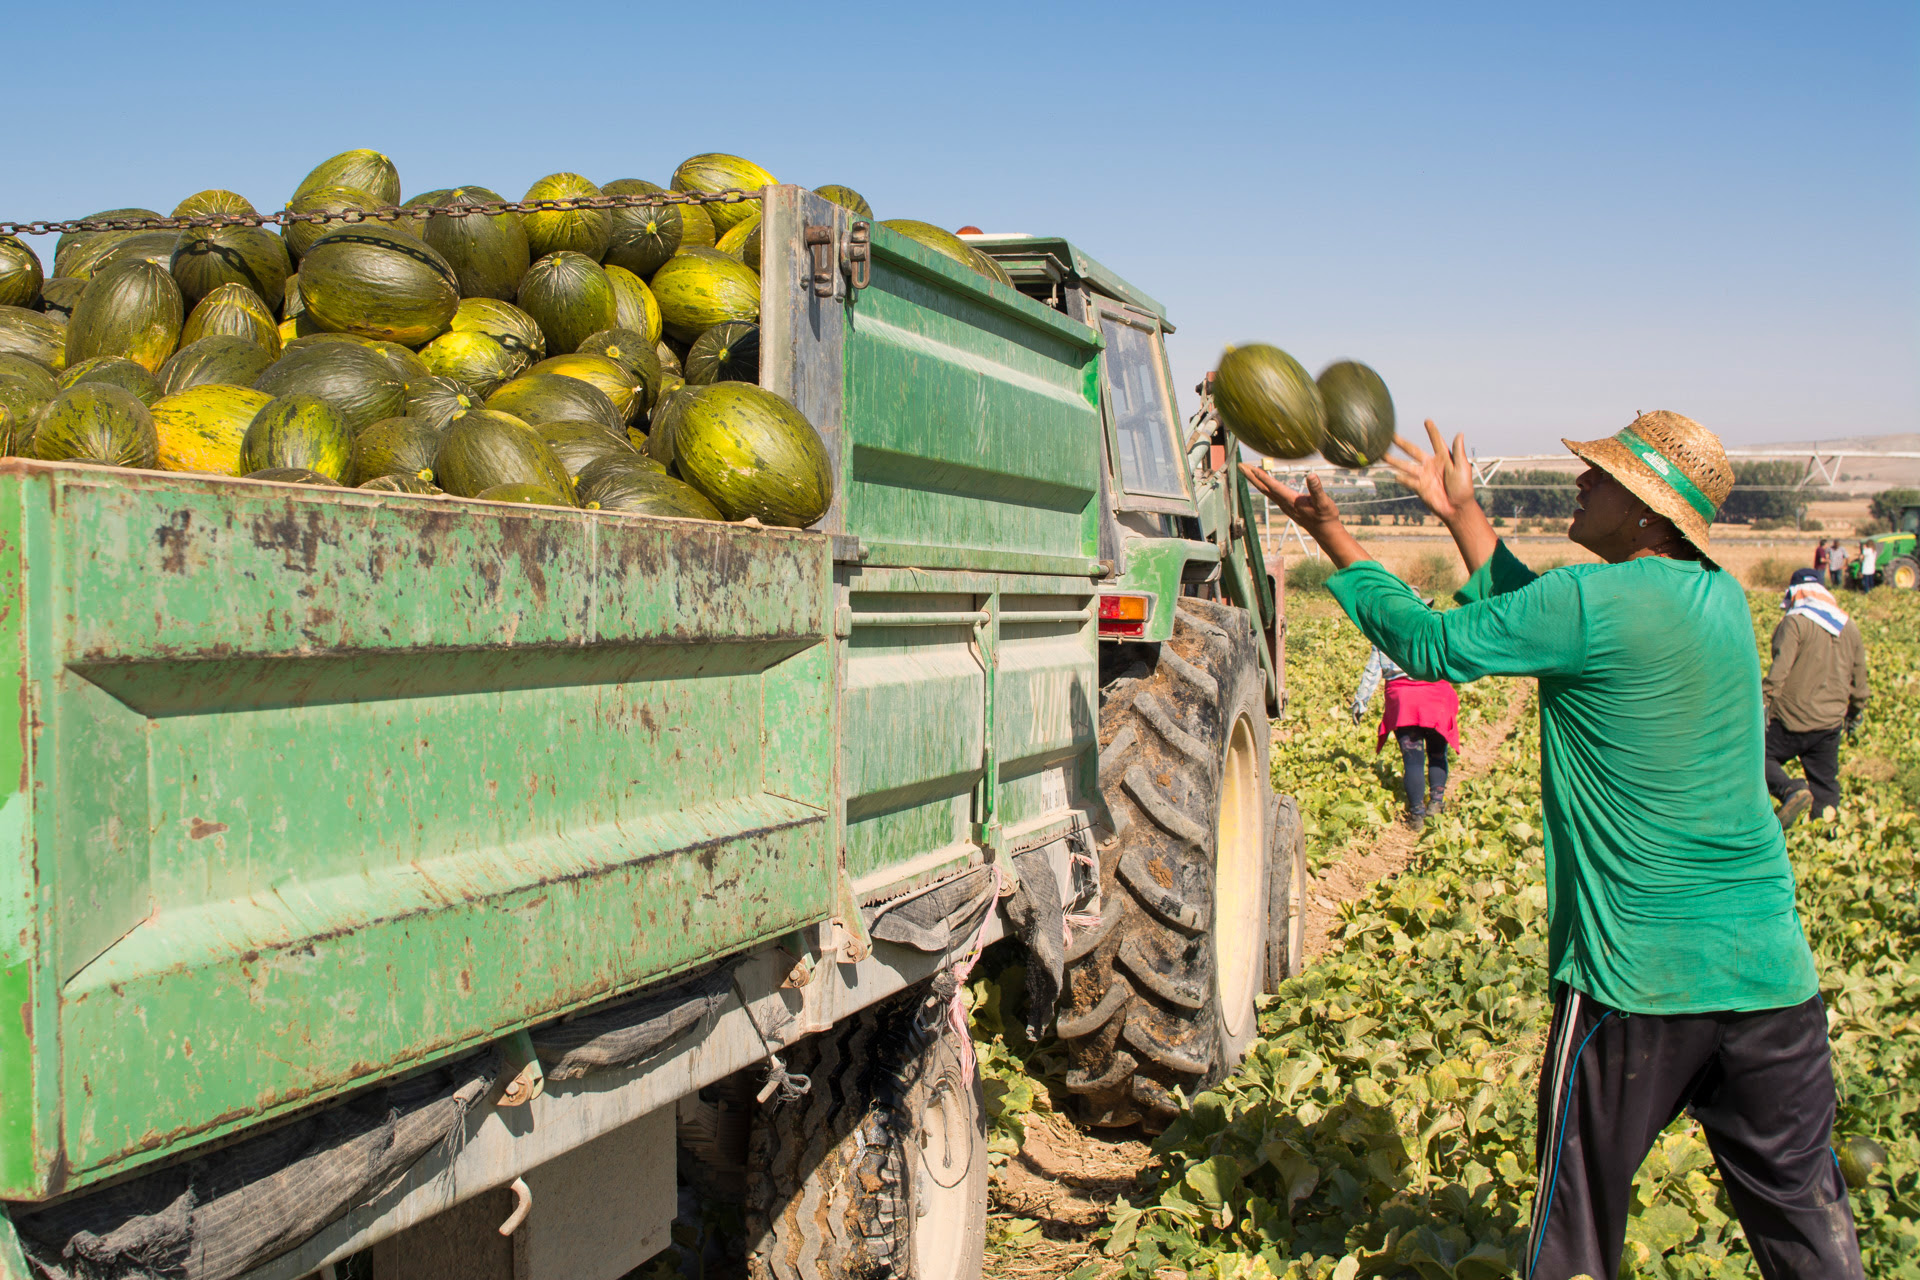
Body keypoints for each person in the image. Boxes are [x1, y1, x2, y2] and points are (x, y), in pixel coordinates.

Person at [1242, 411, 1863, 1280]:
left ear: (1648, 513)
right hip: (1770, 975)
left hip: (1637, 977)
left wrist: (1335, 536)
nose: (1579, 483)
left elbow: (1428, 646)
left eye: (1601, 478)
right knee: (1807, 1226)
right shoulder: (1717, 595)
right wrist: (1461, 514)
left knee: (1575, 1235)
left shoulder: (1585, 599)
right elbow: (1547, 617)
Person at [1764, 568, 1869, 826]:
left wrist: (1762, 705)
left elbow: (1779, 673)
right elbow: (1859, 681)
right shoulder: (1848, 625)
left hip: (1790, 721)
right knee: (1825, 783)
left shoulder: (1794, 623)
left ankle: (1792, 790)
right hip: (1830, 723)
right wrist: (1855, 714)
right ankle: (1825, 834)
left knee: (1754, 758)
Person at [1349, 606, 1460, 830]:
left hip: (1404, 701)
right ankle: (1436, 804)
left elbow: (1372, 673)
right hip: (1436, 698)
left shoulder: (1385, 637)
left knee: (1413, 760)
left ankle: (1417, 815)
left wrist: (1360, 703)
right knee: (1438, 754)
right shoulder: (1434, 630)